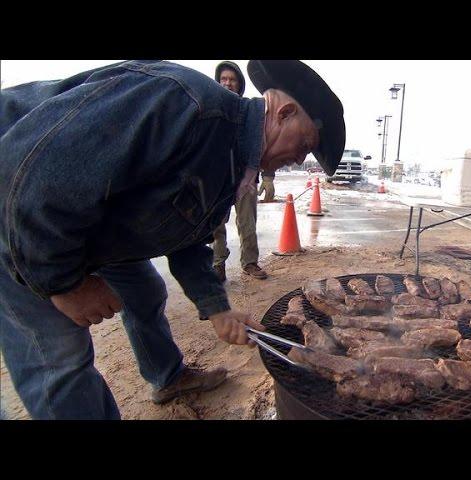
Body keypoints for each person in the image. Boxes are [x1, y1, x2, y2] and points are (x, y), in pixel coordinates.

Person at [0, 60, 345, 419]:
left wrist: (216, 308)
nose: (301, 159)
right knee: (60, 360)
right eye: (305, 144)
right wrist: (64, 284)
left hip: (90, 220)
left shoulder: (232, 160)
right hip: (18, 213)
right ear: (285, 113)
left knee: (146, 291)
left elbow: (186, 236)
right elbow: (34, 180)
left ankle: (166, 377)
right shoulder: (184, 104)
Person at [211, 61, 269, 281]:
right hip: (217, 177)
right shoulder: (210, 108)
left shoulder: (250, 112)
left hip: (246, 176)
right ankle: (218, 265)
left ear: (239, 84)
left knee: (247, 222)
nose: (227, 83)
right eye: (223, 79)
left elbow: (263, 144)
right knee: (215, 225)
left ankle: (250, 263)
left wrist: (268, 176)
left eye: (232, 79)